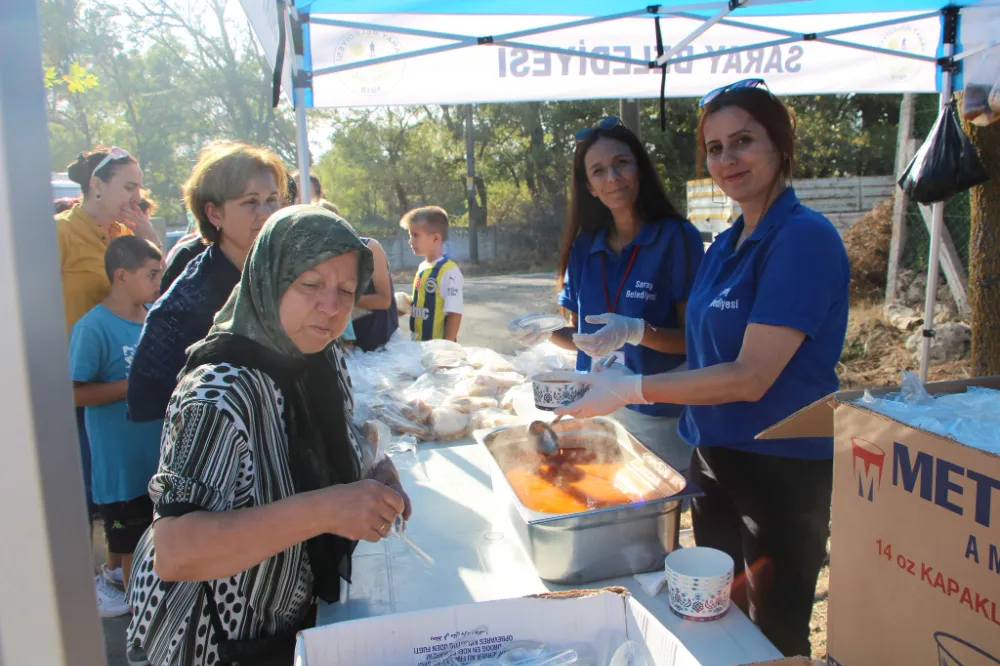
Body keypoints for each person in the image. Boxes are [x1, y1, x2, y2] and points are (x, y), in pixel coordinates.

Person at [553, 80, 849, 658]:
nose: (727, 159)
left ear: (780, 145)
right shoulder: (727, 244)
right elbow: (699, 340)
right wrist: (628, 336)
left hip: (780, 468)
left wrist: (630, 386)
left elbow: (749, 375)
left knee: (775, 630)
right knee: (718, 615)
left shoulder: (803, 239)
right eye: (714, 148)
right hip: (713, 458)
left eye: (743, 141)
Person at [126, 206, 411, 666]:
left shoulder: (319, 357)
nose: (332, 306)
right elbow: (175, 551)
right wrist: (327, 509)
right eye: (311, 285)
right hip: (210, 639)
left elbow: (323, 446)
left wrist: (371, 473)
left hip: (285, 625)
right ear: (268, 278)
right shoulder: (217, 393)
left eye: (344, 289)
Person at [513, 117, 703, 470]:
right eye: (598, 171)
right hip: (596, 408)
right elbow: (585, 340)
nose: (613, 178)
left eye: (621, 163)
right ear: (589, 186)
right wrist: (545, 330)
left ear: (640, 168)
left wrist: (637, 331)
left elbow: (693, 341)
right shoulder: (585, 245)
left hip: (657, 416)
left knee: (652, 513)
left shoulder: (677, 238)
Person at [127, 141, 285, 425]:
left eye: (272, 199)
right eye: (250, 201)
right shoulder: (185, 305)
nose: (265, 212)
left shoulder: (287, 275)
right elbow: (150, 402)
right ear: (214, 213)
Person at [57, 146, 163, 528]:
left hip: (124, 386)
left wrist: (149, 235)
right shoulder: (61, 233)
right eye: (128, 186)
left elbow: (159, 291)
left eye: (140, 187)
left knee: (128, 498)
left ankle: (118, 572)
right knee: (83, 493)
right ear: (97, 185)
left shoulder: (126, 236)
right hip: (77, 384)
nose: (136, 197)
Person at [68, 236, 164, 618]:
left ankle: (136, 597)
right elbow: (74, 393)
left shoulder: (156, 318)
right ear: (121, 275)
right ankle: (140, 622)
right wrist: (135, 384)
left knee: (152, 540)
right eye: (152, 274)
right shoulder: (93, 327)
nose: (159, 282)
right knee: (130, 543)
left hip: (156, 459)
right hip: (120, 465)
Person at [395, 206, 463, 342]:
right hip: (418, 347)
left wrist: (446, 349)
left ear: (436, 238)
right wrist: (407, 305)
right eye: (410, 235)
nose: (410, 241)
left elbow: (454, 314)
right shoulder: (422, 267)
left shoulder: (449, 271)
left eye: (415, 235)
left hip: (438, 353)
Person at [351, 237, 399, 351]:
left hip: (382, 344)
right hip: (351, 347)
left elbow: (384, 300)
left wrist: (343, 299)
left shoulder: (369, 247)